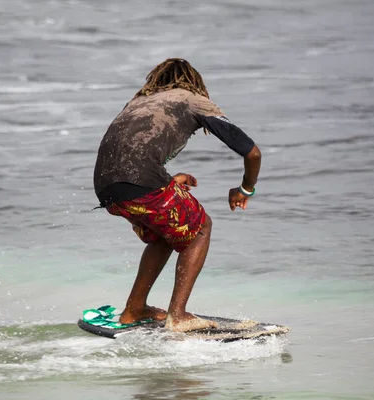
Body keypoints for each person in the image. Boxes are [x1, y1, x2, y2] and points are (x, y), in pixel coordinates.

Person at [93, 58, 261, 332]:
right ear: (195, 82)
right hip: (141, 182)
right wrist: (245, 188)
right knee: (199, 227)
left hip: (107, 188)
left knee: (166, 232)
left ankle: (134, 310)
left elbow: (130, 155)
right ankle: (179, 316)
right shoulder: (194, 101)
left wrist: (170, 181)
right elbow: (252, 152)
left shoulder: (137, 103)